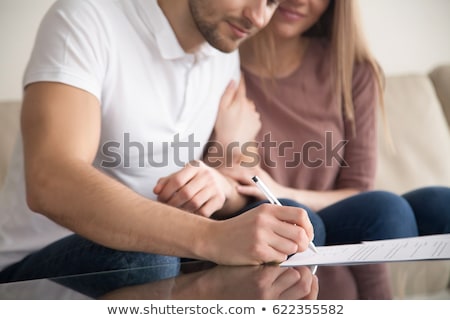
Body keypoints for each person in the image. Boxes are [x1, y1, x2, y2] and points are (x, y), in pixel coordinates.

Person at [0, 0, 318, 283]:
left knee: (294, 224)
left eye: (272, 2)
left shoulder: (223, 51)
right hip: (35, 265)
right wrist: (212, 237)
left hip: (169, 251)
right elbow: (51, 182)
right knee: (150, 260)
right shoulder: (85, 18)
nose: (259, 17)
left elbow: (239, 182)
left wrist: (220, 181)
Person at [210, 0, 450, 298]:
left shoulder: (353, 71)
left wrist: (278, 188)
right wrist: (227, 147)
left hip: (334, 247)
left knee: (424, 206)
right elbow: (222, 188)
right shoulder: (218, 66)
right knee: (294, 216)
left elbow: (361, 194)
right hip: (265, 249)